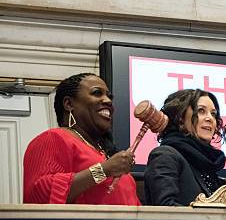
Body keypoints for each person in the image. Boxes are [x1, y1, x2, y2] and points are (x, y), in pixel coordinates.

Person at [23, 73, 140, 205]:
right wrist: (103, 170)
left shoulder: (104, 152)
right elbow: (39, 194)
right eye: (97, 93)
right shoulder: (53, 138)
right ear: (69, 104)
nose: (108, 101)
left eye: (109, 96)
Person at [144, 89, 226, 206]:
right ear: (181, 118)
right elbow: (165, 211)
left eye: (213, 113)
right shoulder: (165, 156)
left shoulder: (207, 166)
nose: (210, 118)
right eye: (201, 111)